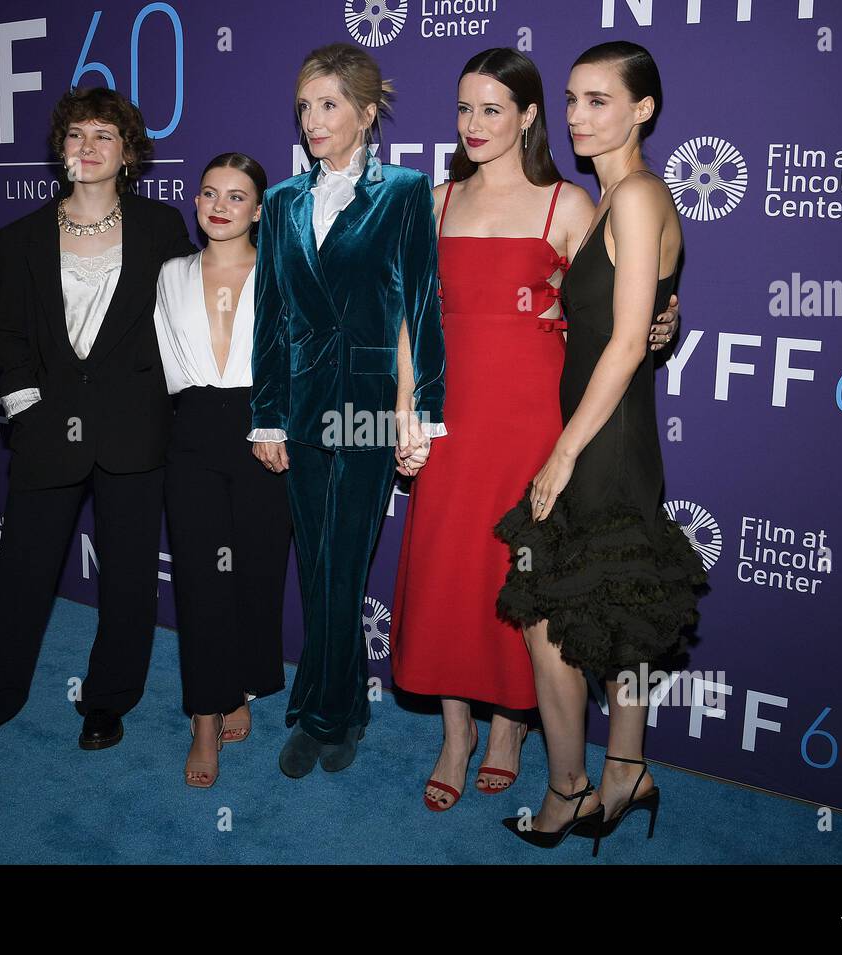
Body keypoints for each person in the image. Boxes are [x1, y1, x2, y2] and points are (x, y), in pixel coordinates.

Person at [390, 49, 680, 812]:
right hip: (451, 419)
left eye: (493, 108)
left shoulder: (571, 205)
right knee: (449, 571)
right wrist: (405, 405)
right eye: (463, 109)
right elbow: (409, 320)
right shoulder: (436, 202)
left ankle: (512, 727)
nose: (474, 124)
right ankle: (455, 735)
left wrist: (660, 324)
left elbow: (609, 306)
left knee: (514, 580)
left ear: (526, 117)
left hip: (532, 421)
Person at [0, 87, 197, 766]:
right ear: (61, 149)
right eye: (76, 134)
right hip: (49, 431)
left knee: (130, 575)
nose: (88, 146)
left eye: (104, 135)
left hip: (135, 429)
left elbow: (181, 318)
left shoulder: (161, 227)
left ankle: (109, 698)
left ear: (129, 153)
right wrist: (27, 413)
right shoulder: (20, 236)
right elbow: (11, 336)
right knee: (21, 574)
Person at [494, 41, 708, 850]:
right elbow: (637, 319)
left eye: (599, 101)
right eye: (573, 100)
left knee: (550, 620)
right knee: (621, 608)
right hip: (615, 434)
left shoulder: (636, 196)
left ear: (642, 109)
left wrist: (561, 454)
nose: (579, 117)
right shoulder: (620, 196)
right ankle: (626, 768)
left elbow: (623, 346)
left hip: (602, 440)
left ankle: (569, 791)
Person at [250, 42, 445, 778]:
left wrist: (421, 411)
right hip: (299, 405)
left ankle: (324, 713)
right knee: (316, 560)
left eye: (329, 104)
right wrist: (265, 415)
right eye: (304, 106)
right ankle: (344, 707)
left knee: (341, 561)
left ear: (367, 114)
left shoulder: (404, 192)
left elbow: (421, 309)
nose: (312, 119)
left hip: (366, 405)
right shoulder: (280, 202)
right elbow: (270, 318)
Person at [155, 152, 292, 788]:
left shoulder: (283, 274)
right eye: (210, 193)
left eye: (236, 197)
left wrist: (277, 422)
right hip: (191, 432)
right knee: (201, 579)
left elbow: (305, 359)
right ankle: (205, 715)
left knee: (256, 573)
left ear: (259, 210)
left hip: (263, 431)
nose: (219, 206)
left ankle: (238, 682)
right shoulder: (170, 273)